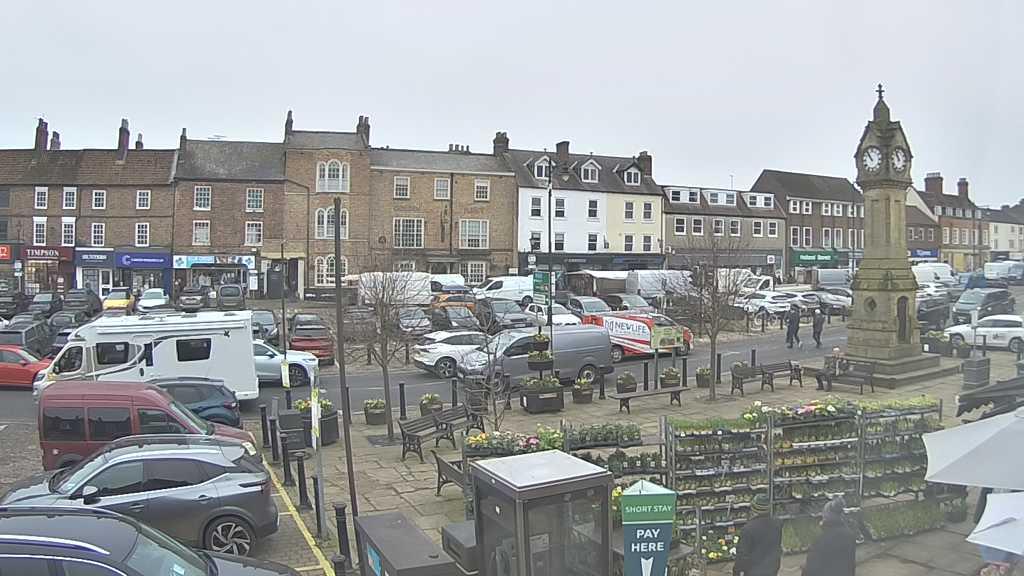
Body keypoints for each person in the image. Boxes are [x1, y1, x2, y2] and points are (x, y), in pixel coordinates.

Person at [803, 496, 856, 576]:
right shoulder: (850, 535)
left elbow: (811, 569)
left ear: (825, 517)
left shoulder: (821, 539)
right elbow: (850, 565)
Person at [733, 494, 782, 576]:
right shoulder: (778, 523)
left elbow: (742, 556)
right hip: (772, 568)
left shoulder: (748, 529)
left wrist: (736, 572)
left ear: (753, 509)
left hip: (754, 571)